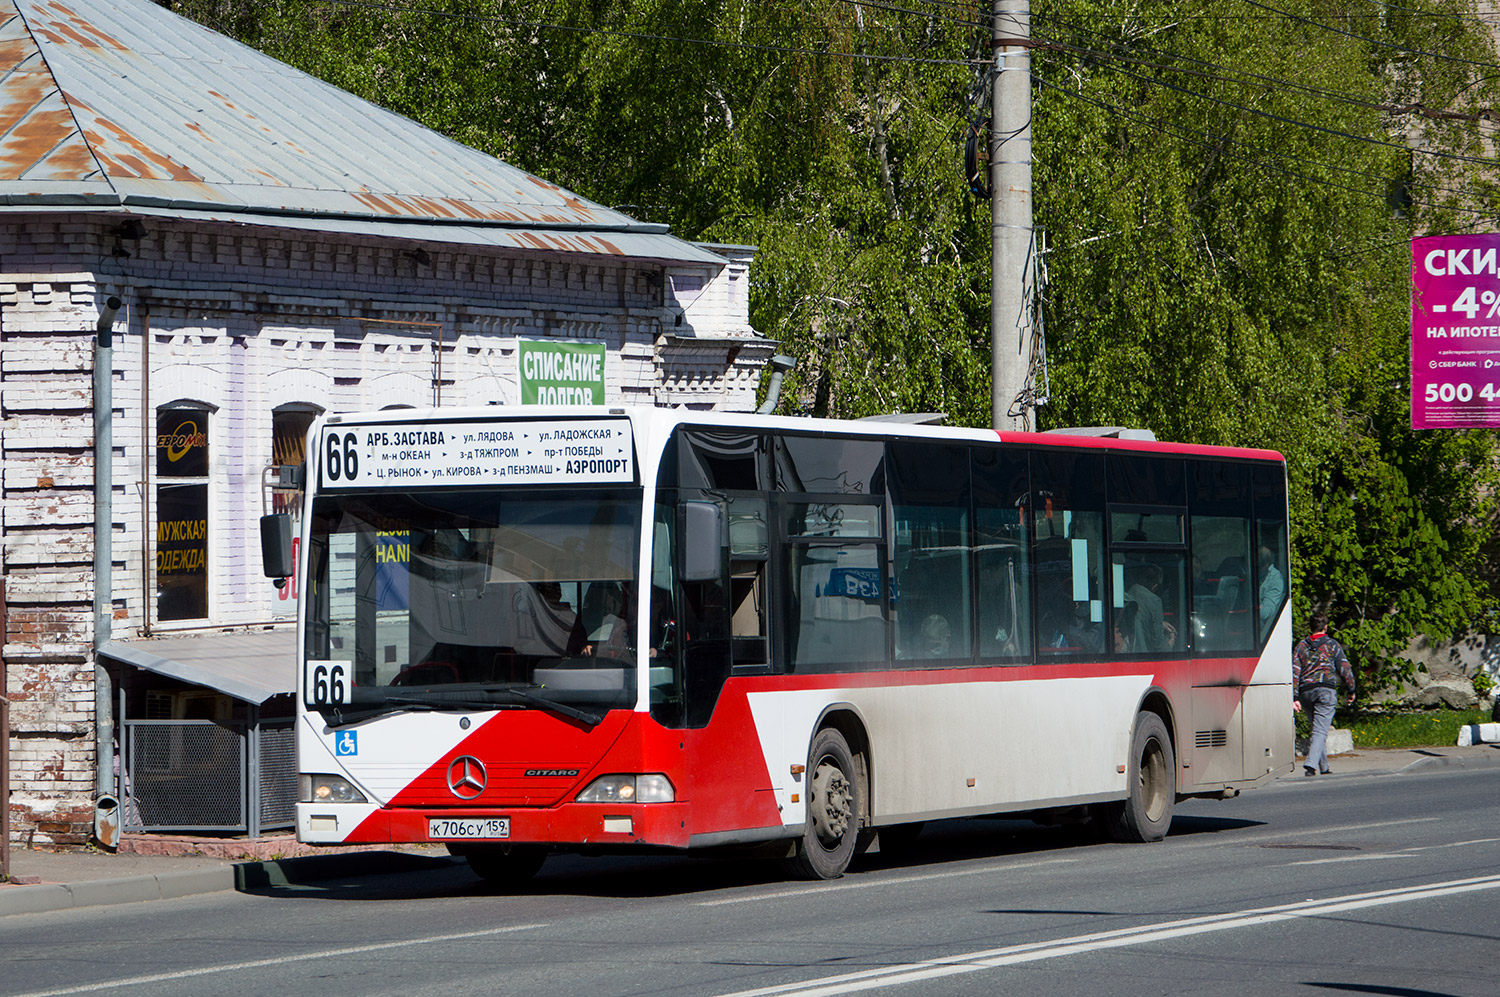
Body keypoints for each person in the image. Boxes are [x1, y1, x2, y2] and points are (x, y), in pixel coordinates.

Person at [1293, 611, 1356, 776]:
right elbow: (1344, 668)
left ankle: (1324, 767)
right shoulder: (1332, 644)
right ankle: (1310, 765)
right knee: (1320, 731)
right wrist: (1351, 689)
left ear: (1310, 627)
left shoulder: (1301, 646)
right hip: (1326, 690)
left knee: (1316, 729)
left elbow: (1295, 672)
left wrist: (1294, 697)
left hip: (1306, 692)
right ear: (1325, 627)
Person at [1125, 563, 1176, 652]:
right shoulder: (1154, 600)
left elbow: (1139, 619)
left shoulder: (1129, 594)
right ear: (1155, 585)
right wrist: (1171, 641)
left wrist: (1161, 623)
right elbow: (1159, 645)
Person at [1258, 545, 1286, 635]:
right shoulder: (1247, 573)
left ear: (1266, 565)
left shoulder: (1275, 579)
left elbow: (1266, 612)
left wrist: (1252, 606)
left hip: (1257, 630)